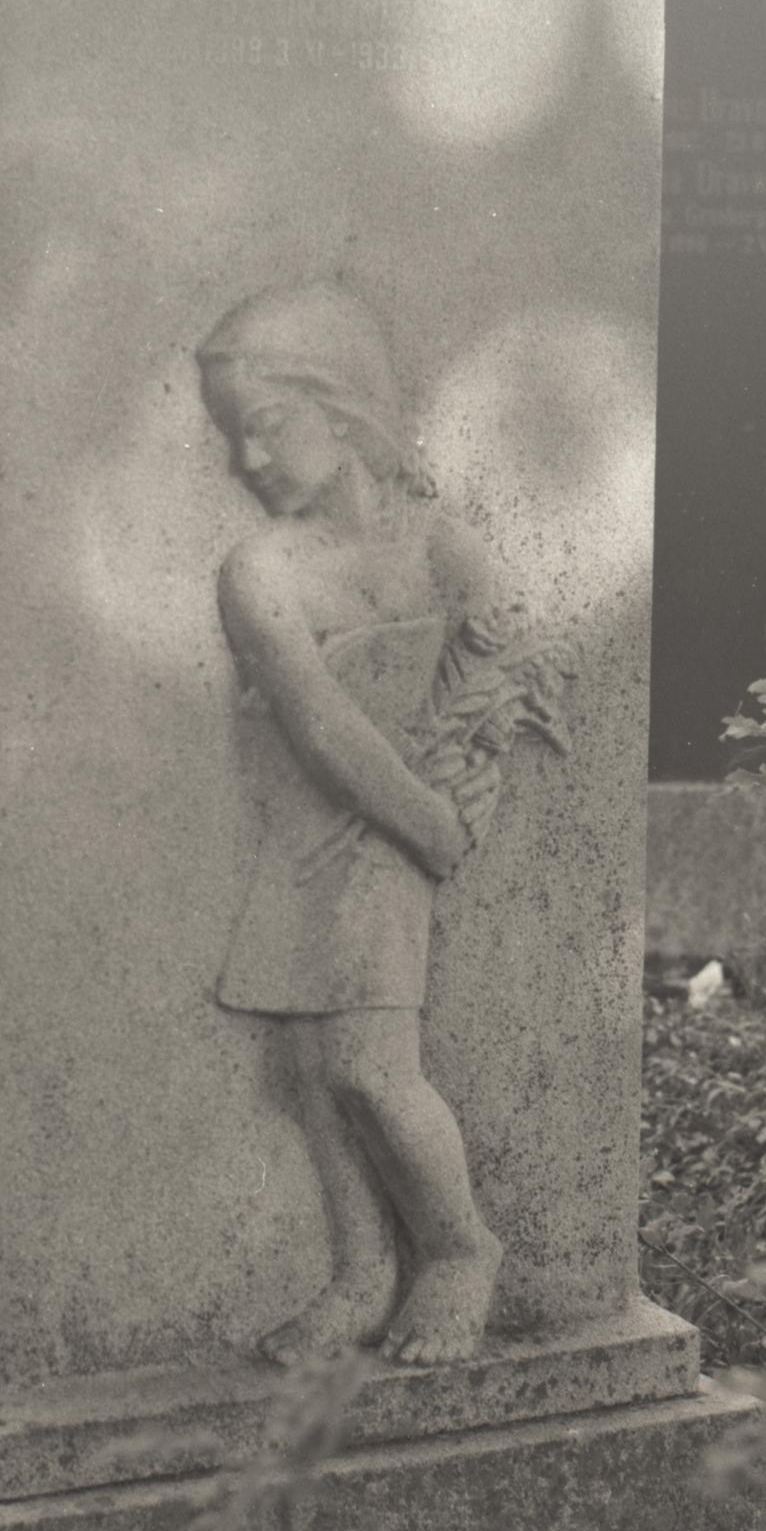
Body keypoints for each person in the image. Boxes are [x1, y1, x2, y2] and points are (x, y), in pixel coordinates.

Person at [197, 280, 504, 1367]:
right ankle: (364, 1274)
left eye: (266, 424)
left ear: (343, 405)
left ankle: (460, 1249)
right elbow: (320, 725)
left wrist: (465, 790)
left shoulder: (441, 547)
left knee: (371, 1064)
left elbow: (505, 674)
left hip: (383, 842)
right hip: (314, 834)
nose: (246, 459)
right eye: (232, 436)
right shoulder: (259, 570)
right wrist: (436, 820)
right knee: (309, 1077)